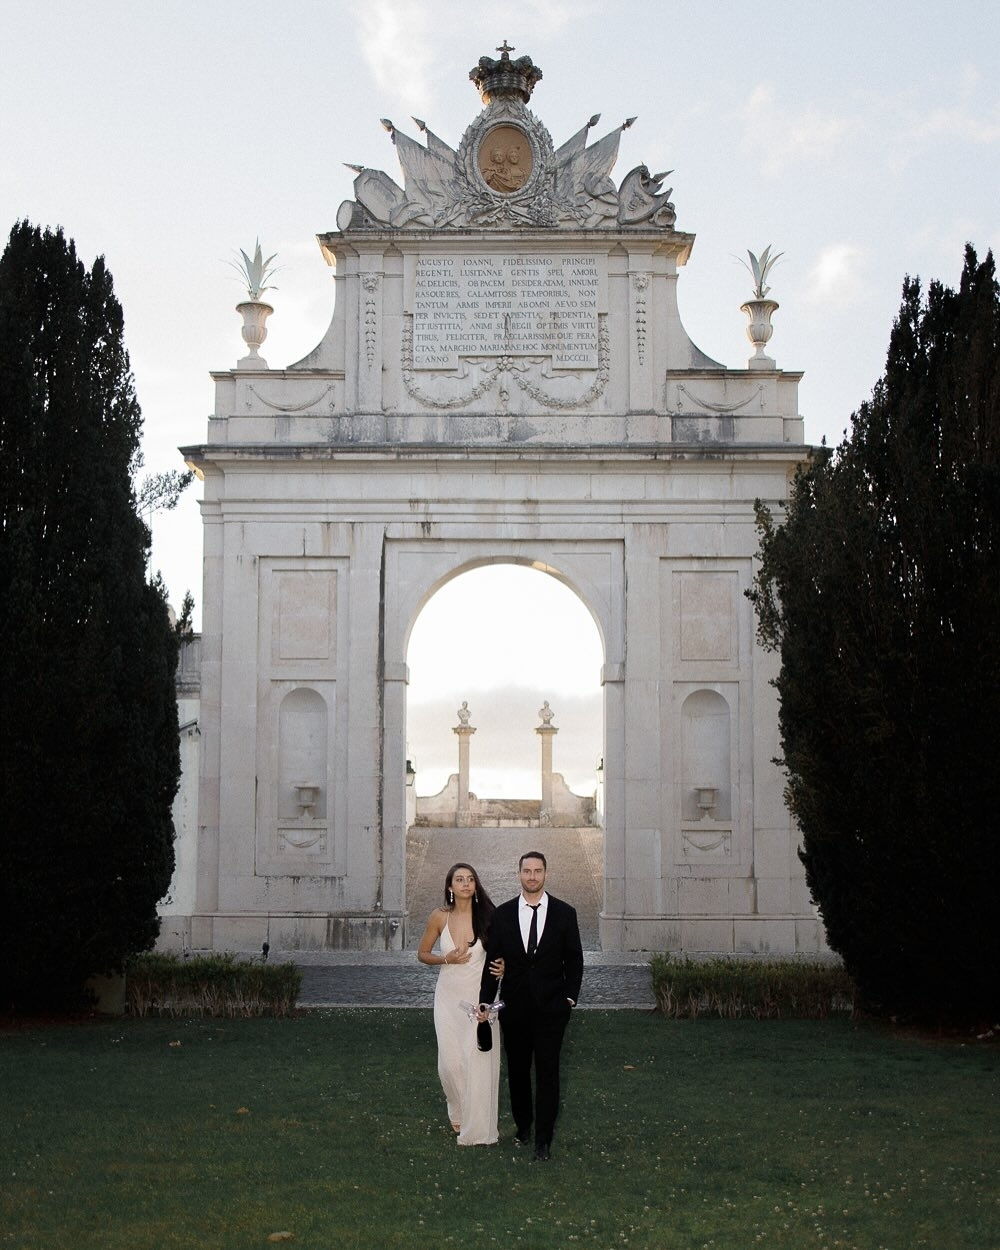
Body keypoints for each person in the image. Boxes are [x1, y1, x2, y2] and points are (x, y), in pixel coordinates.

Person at [478, 851, 583, 1161]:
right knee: (518, 1071)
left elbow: (574, 959)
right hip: (515, 1008)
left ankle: (543, 1140)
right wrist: (485, 1001)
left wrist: (569, 998)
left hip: (552, 1009)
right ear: (519, 874)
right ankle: (524, 1126)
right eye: (527, 871)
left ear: (545, 874)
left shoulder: (565, 913)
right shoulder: (503, 914)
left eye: (538, 871)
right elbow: (493, 962)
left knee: (548, 1072)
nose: (532, 876)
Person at [417, 863, 504, 1146]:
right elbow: (422, 953)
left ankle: (476, 1125)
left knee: (477, 1061)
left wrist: (505, 965)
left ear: (476, 885)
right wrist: (446, 959)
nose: (465, 883)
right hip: (448, 998)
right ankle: (456, 1108)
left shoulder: (490, 917)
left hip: (479, 999)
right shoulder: (439, 916)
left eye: (470, 879)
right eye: (459, 879)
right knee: (449, 1063)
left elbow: (504, 952)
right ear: (450, 887)